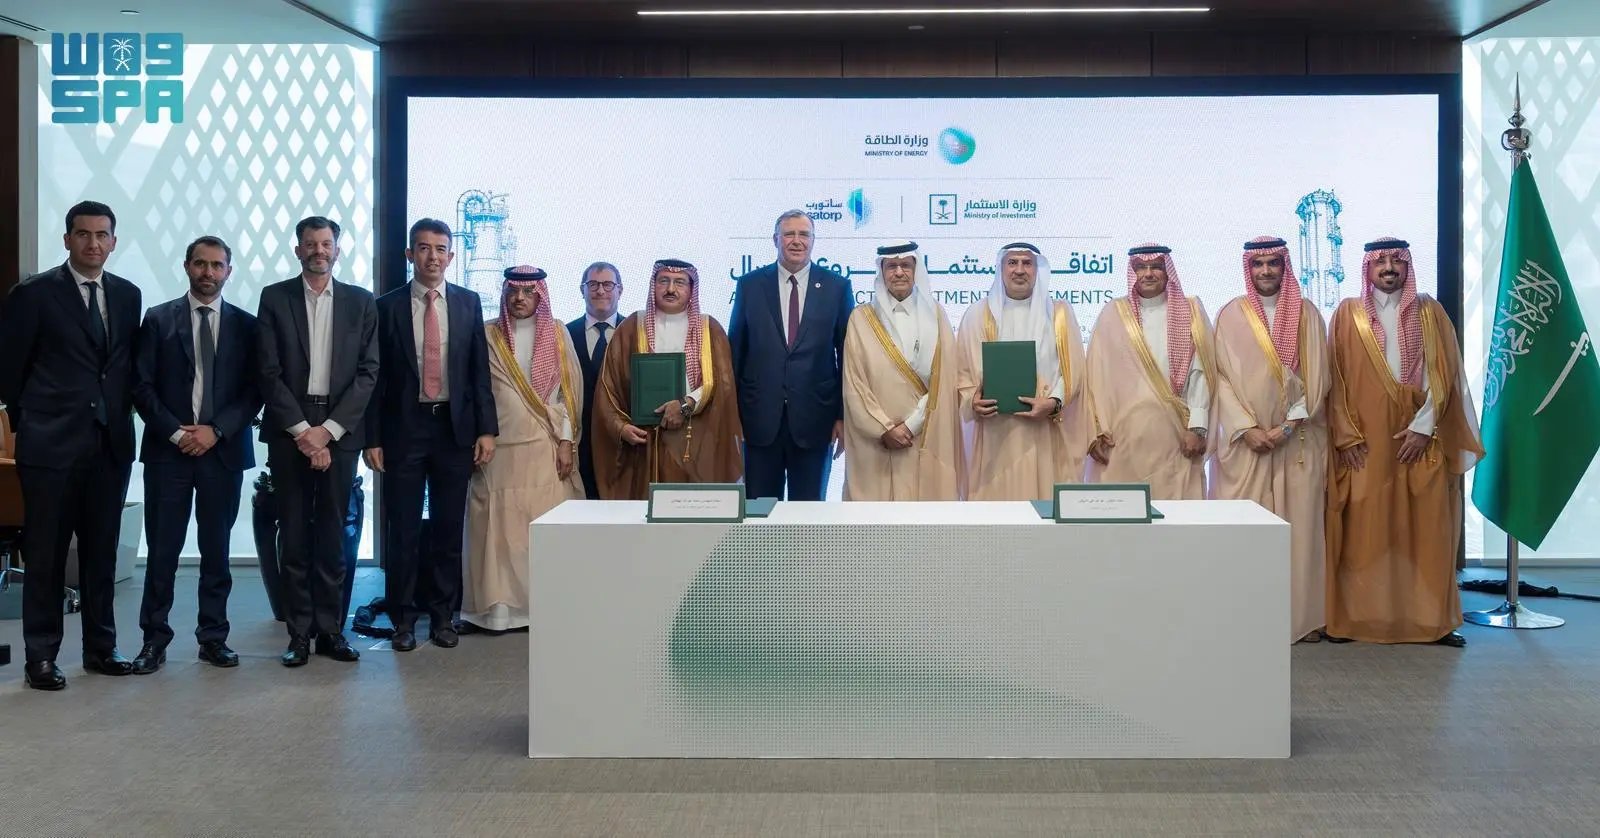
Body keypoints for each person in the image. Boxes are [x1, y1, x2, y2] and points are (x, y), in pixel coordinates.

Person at [0, 200, 142, 690]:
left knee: (101, 555)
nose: (93, 243)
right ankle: (41, 656)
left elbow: (121, 367)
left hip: (109, 446)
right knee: (46, 556)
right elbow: (10, 371)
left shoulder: (127, 295)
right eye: (83, 234)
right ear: (67, 240)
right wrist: (35, 425)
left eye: (102, 235)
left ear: (114, 242)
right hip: (50, 448)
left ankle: (101, 648)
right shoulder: (34, 294)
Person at [1325, 237, 1482, 647]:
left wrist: (1423, 427)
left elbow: (1444, 373)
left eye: (1397, 261)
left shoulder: (1431, 312)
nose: (1389, 268)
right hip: (1365, 444)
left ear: (1408, 267)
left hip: (1421, 439)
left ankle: (1432, 622)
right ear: (1368, 268)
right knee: (1365, 531)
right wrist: (1346, 436)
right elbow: (1334, 381)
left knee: (1428, 531)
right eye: (1381, 262)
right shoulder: (1347, 314)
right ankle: (1359, 618)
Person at [363, 219, 497, 651]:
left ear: (451, 257)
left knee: (447, 527)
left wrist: (486, 430)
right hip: (404, 429)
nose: (432, 257)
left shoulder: (468, 303)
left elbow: (479, 373)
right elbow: (375, 379)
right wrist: (372, 437)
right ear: (410, 254)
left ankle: (442, 617)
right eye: (423, 248)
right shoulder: (385, 307)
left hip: (453, 430)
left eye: (440, 249)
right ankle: (403, 620)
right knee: (402, 528)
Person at [130, 235, 262, 672]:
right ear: (187, 266)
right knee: (162, 551)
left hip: (221, 453)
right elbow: (141, 385)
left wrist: (216, 431)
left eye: (217, 265)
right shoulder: (158, 319)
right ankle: (154, 640)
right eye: (201, 264)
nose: (208, 272)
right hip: (168, 453)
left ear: (229, 271)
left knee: (217, 551)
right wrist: (175, 433)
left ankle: (213, 637)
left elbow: (254, 391)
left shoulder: (247, 326)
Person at [256, 216, 379, 666]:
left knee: (332, 535)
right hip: (290, 429)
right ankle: (298, 634)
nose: (319, 251)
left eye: (326, 244)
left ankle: (331, 631)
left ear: (337, 251)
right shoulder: (275, 298)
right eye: (310, 244)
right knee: (292, 535)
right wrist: (302, 431)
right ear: (298, 250)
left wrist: (327, 432)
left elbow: (369, 372)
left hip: (339, 430)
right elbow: (267, 371)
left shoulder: (360, 302)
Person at [1208, 237, 1330, 644]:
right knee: (1246, 534)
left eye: (1273, 263)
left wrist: (1289, 425)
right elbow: (1219, 377)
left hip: (1298, 442)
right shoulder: (1230, 314)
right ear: (1248, 268)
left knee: (1300, 531)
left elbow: (1319, 376)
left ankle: (1301, 619)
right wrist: (1246, 428)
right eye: (1257, 264)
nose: (1265, 271)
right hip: (1247, 446)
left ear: (1284, 266)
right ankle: (1245, 619)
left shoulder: (1308, 314)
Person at [465, 266, 584, 631]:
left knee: (541, 528)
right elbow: (474, 390)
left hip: (545, 447)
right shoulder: (488, 334)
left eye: (528, 292)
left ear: (540, 296)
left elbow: (569, 395)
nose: (519, 298)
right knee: (499, 531)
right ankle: (498, 611)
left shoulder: (558, 333)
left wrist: (566, 441)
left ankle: (544, 607)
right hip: (497, 449)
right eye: (513, 291)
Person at [593, 259, 742, 497]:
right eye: (664, 281)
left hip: (696, 438)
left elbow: (721, 384)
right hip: (645, 443)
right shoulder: (632, 327)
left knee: (692, 509)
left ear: (691, 289)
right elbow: (607, 386)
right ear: (654, 285)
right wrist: (620, 428)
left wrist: (684, 405)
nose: (671, 289)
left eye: (679, 282)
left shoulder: (709, 328)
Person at [729, 210, 851, 500]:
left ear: (813, 240)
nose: (797, 241)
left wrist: (843, 417)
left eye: (804, 234)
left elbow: (847, 357)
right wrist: (732, 418)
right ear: (775, 240)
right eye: (789, 234)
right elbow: (735, 353)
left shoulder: (837, 287)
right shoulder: (750, 285)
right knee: (759, 512)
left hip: (816, 422)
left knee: (809, 514)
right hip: (758, 422)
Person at [954, 242, 1090, 500]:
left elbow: (1074, 370)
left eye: (1027, 263)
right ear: (1001, 268)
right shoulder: (977, 314)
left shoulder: (1059, 314)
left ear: (1037, 269)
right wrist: (972, 400)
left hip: (1045, 431)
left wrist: (1053, 402)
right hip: (994, 434)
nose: (1019, 270)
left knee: (1044, 505)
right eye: (1012, 263)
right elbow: (961, 374)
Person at [1085, 244, 1214, 500]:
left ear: (1168, 272)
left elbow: (1200, 373)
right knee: (1123, 511)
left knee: (1175, 511)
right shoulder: (1113, 313)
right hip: (1122, 437)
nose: (1148, 273)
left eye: (1156, 267)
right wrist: (1096, 430)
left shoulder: (1191, 312)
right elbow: (1095, 377)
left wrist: (1198, 428)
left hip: (1175, 434)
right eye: (1141, 267)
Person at [841, 242, 965, 500]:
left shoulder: (936, 316)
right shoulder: (861, 318)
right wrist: (884, 428)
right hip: (876, 441)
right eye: (892, 266)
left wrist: (911, 425)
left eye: (906, 265)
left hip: (924, 434)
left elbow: (945, 379)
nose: (899, 272)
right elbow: (854, 385)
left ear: (916, 270)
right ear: (882, 271)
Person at [566, 261, 624, 500]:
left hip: (624, 444)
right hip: (578, 445)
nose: (600, 291)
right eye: (593, 284)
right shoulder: (564, 334)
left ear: (620, 290)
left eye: (608, 285)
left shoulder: (635, 332)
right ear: (582, 290)